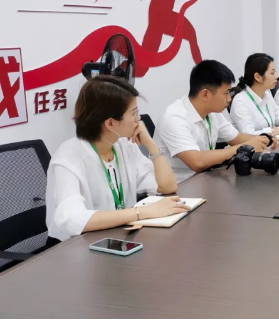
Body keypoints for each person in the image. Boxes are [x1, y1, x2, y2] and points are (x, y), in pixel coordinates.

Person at [46, 76, 190, 242]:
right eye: (134, 114)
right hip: (74, 247)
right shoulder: (68, 159)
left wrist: (151, 145)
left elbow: (166, 186)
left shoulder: (123, 145)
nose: (139, 120)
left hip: (117, 237)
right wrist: (141, 213)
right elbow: (72, 220)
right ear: (111, 123)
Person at [154, 60, 275, 183]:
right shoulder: (175, 118)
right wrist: (243, 147)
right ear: (205, 94)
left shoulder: (212, 112)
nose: (229, 99)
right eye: (226, 93)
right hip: (178, 187)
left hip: (204, 180)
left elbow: (237, 138)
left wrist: (263, 140)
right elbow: (197, 162)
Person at [230, 53, 279, 135]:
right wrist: (278, 130)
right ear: (257, 77)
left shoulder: (267, 94)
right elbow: (248, 134)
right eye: (272, 73)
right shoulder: (240, 101)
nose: (276, 76)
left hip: (272, 142)